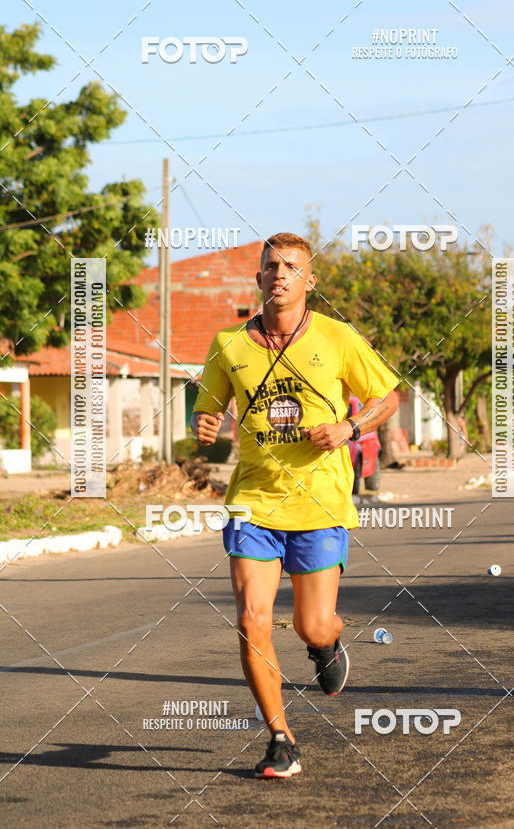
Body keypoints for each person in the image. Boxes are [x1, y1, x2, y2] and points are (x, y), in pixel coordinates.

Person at [191, 232, 399, 778]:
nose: (279, 273)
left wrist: (350, 427)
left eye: (291, 266)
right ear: (258, 278)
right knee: (252, 620)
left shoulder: (337, 336)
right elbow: (207, 410)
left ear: (310, 279)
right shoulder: (228, 343)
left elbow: (388, 396)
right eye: (271, 266)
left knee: (312, 624)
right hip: (253, 504)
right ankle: (280, 738)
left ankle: (326, 645)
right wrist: (204, 423)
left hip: (320, 503)